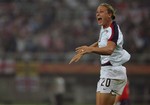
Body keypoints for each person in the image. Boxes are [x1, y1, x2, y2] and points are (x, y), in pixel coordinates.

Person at [69, 3, 131, 105]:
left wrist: (90, 50)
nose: (98, 14)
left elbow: (109, 49)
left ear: (110, 14)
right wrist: (86, 50)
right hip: (108, 71)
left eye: (101, 12)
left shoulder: (113, 29)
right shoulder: (104, 28)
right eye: (97, 12)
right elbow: (100, 43)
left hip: (112, 71)